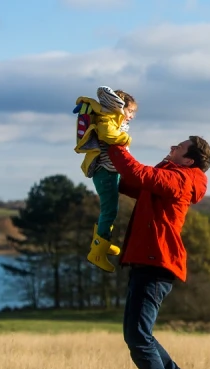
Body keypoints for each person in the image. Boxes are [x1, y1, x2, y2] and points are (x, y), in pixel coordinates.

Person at [106, 136, 210, 369]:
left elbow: (138, 173)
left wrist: (114, 145)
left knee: (138, 336)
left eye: (178, 147)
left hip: (157, 263)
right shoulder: (171, 173)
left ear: (189, 160)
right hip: (147, 262)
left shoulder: (182, 180)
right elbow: (131, 183)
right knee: (140, 334)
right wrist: (104, 165)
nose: (171, 147)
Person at [74, 87, 138, 273]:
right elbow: (106, 135)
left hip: (110, 172)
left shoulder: (113, 119)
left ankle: (103, 240)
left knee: (110, 210)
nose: (132, 116)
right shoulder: (106, 118)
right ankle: (97, 251)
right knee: (109, 210)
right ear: (119, 107)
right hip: (105, 172)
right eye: (130, 111)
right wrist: (126, 138)